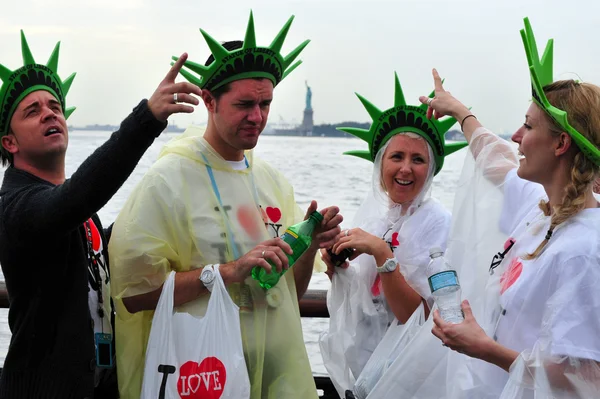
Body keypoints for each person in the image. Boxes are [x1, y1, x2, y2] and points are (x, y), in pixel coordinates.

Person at [108, 12, 342, 399]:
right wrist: (228, 272)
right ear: (209, 99)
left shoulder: (272, 182)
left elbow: (288, 294)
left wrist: (310, 245)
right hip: (200, 376)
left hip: (271, 378)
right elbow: (132, 294)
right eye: (245, 104)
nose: (258, 117)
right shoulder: (168, 181)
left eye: (266, 103)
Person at [0, 30, 202, 398]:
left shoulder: (70, 210)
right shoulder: (16, 206)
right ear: (9, 142)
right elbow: (76, 198)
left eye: (55, 107)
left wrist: (181, 202)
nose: (49, 113)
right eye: (33, 111)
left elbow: (105, 239)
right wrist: (146, 119)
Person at [425, 18, 600, 398]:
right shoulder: (541, 213)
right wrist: (458, 111)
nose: (515, 137)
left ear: (560, 145)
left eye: (527, 126)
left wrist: (483, 347)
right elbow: (494, 157)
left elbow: (583, 374)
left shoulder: (583, 249)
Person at [319, 72, 467, 398]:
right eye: (396, 156)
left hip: (411, 380)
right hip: (367, 374)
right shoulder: (374, 215)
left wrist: (382, 255)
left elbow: (425, 319)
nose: (405, 169)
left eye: (418, 159)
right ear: (380, 162)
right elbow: (364, 299)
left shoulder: (439, 224)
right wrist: (337, 268)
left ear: (431, 170)